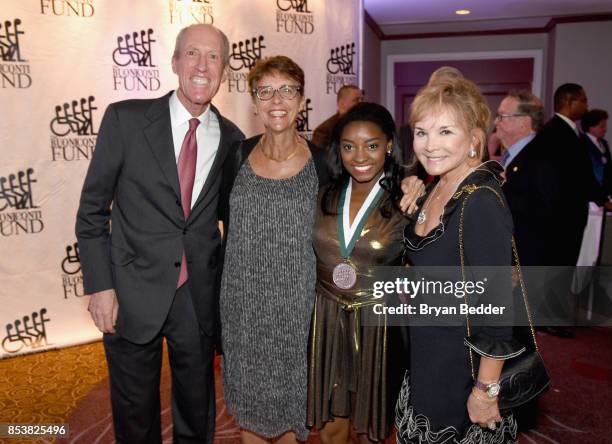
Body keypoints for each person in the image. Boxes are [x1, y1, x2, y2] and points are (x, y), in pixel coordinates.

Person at [75, 24, 244, 444]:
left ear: (224, 69)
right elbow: (92, 211)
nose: (202, 66)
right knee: (134, 410)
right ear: (174, 62)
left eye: (213, 57)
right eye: (192, 54)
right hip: (130, 288)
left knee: (196, 406)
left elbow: (235, 219)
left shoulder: (233, 140)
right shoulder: (125, 120)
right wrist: (100, 286)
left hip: (197, 296)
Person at [396, 77, 520, 442]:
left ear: (473, 139)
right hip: (427, 355)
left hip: (462, 367)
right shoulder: (438, 186)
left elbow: (497, 309)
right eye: (421, 132)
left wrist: (485, 391)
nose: (430, 145)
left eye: (445, 131)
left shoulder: (479, 201)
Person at [218, 55, 328, 444]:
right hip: (243, 308)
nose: (276, 99)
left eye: (287, 90)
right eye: (265, 91)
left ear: (301, 101)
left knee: (292, 414)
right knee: (249, 411)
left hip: (300, 310)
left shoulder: (324, 162)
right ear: (254, 102)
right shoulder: (235, 156)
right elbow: (215, 223)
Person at [307, 102, 407, 443]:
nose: (359, 156)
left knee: (371, 425)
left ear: (389, 144)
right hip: (327, 318)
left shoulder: (406, 201)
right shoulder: (324, 194)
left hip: (378, 325)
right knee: (332, 422)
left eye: (372, 145)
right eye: (349, 146)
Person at [312, 84, 363, 149]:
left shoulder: (365, 124)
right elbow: (319, 157)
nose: (361, 103)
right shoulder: (324, 131)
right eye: (356, 100)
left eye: (362, 99)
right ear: (341, 103)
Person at [581, 109, 611, 196]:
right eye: (602, 126)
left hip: (605, 193)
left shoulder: (604, 143)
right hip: (589, 194)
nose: (605, 129)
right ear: (591, 127)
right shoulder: (581, 143)